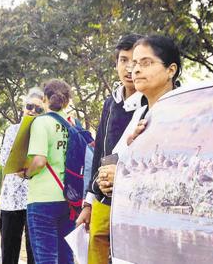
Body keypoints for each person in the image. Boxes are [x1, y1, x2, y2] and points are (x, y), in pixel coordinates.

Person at [75, 34, 145, 263]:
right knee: (97, 248)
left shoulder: (152, 102)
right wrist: (88, 203)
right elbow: (98, 155)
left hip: (134, 199)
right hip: (104, 198)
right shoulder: (110, 103)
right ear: (116, 64)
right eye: (123, 60)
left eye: (136, 62)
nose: (129, 68)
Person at [96, 35, 182, 197]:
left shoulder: (183, 114)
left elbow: (182, 176)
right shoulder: (140, 115)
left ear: (171, 70)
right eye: (135, 63)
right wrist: (106, 179)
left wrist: (124, 176)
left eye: (146, 63)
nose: (134, 69)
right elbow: (117, 161)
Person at [18, 79, 77, 264]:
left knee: (45, 259)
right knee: (65, 258)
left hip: (42, 200)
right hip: (68, 199)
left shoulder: (41, 122)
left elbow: (40, 161)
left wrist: (27, 173)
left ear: (44, 98)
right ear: (67, 102)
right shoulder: (72, 125)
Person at [0, 88, 43, 264]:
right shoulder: (12, 130)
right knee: (9, 251)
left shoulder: (44, 133)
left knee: (34, 251)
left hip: (36, 198)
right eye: (29, 106)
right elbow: (5, 161)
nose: (32, 111)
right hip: (11, 199)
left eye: (38, 109)